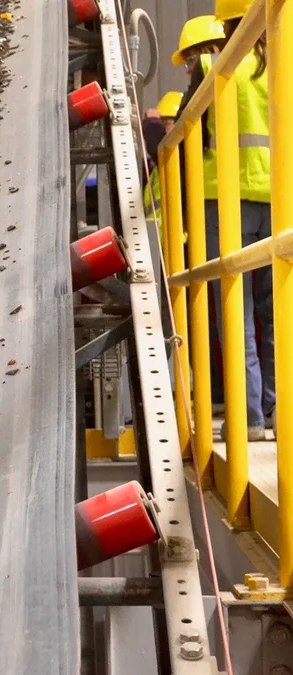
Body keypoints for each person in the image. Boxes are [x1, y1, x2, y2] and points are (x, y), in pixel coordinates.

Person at [179, 0, 271, 440]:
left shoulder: (214, 64)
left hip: (228, 203)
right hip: (280, 204)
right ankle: (278, 414)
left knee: (234, 311)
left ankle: (247, 420)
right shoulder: (281, 63)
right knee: (276, 316)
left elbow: (181, 130)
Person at [142, 91, 183, 223]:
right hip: (159, 238)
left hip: (180, 239)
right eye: (162, 123)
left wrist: (152, 122)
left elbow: (156, 145)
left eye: (168, 123)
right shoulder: (154, 168)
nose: (164, 129)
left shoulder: (185, 155)